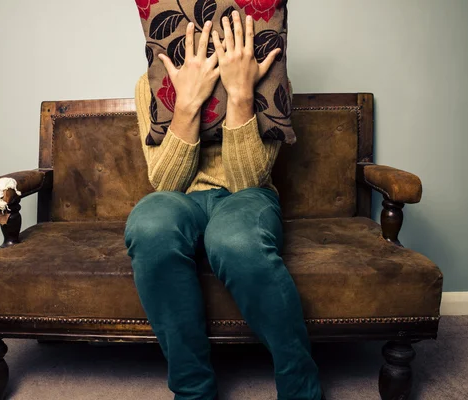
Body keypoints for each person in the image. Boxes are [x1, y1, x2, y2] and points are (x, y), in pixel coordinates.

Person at [124, 10, 323, 400]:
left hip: (248, 197)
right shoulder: (150, 87)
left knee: (233, 240)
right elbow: (166, 182)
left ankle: (301, 387)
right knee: (149, 226)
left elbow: (246, 179)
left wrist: (241, 94)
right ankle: (193, 390)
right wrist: (187, 104)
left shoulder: (271, 74)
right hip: (181, 200)